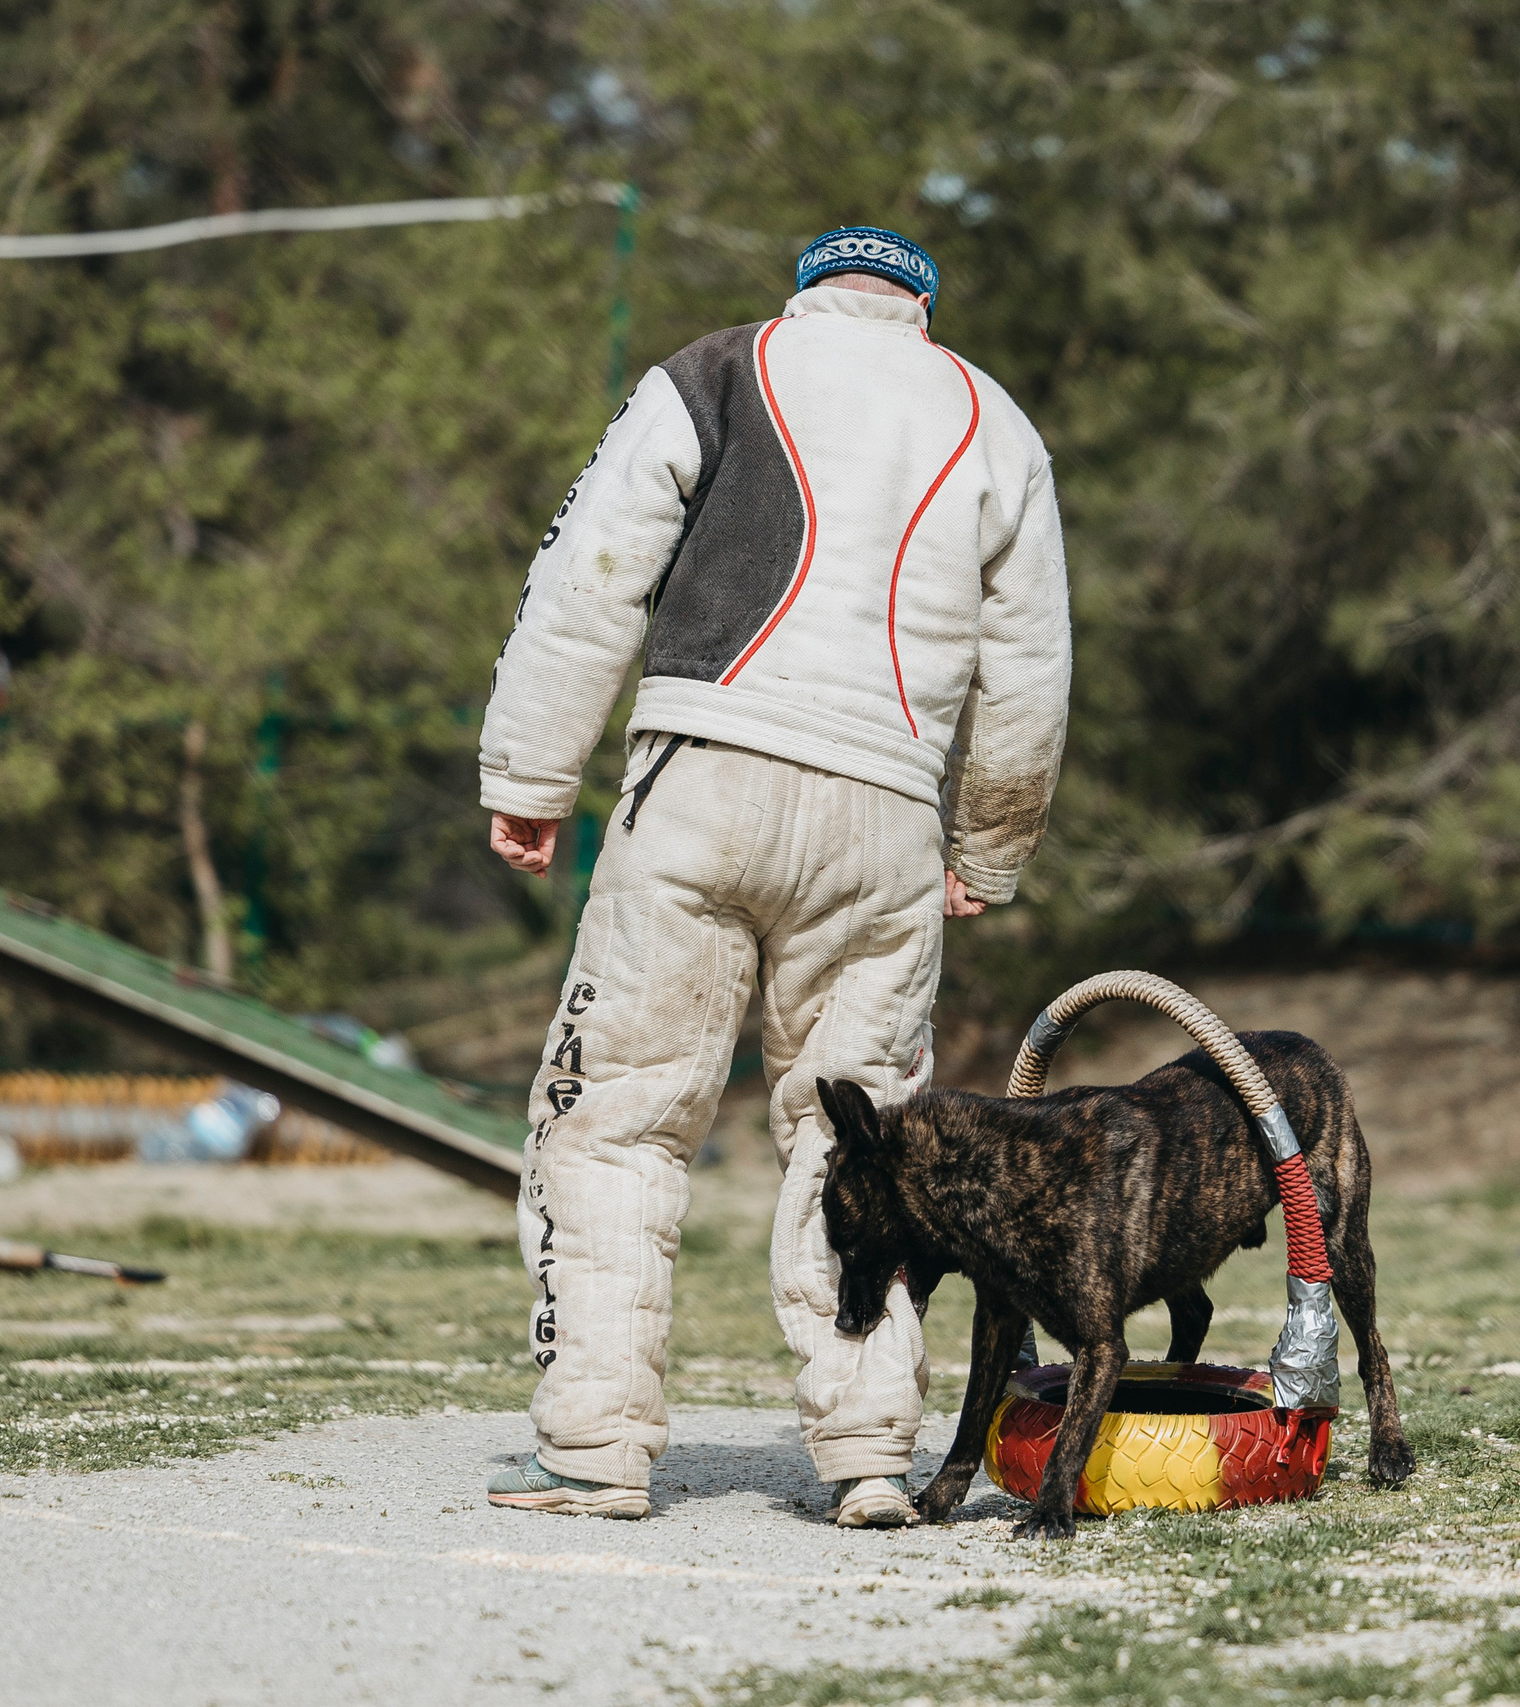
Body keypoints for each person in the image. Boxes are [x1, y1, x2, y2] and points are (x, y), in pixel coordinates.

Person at [475, 226, 1071, 1526]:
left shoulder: (713, 371)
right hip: (890, 815)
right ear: (920, 309)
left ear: (805, 293)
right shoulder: (994, 419)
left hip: (700, 777)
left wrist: (530, 774)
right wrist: (994, 845)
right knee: (854, 1130)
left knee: (620, 1115)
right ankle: (867, 1451)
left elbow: (589, 577)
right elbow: (1030, 667)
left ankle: (593, 1445)